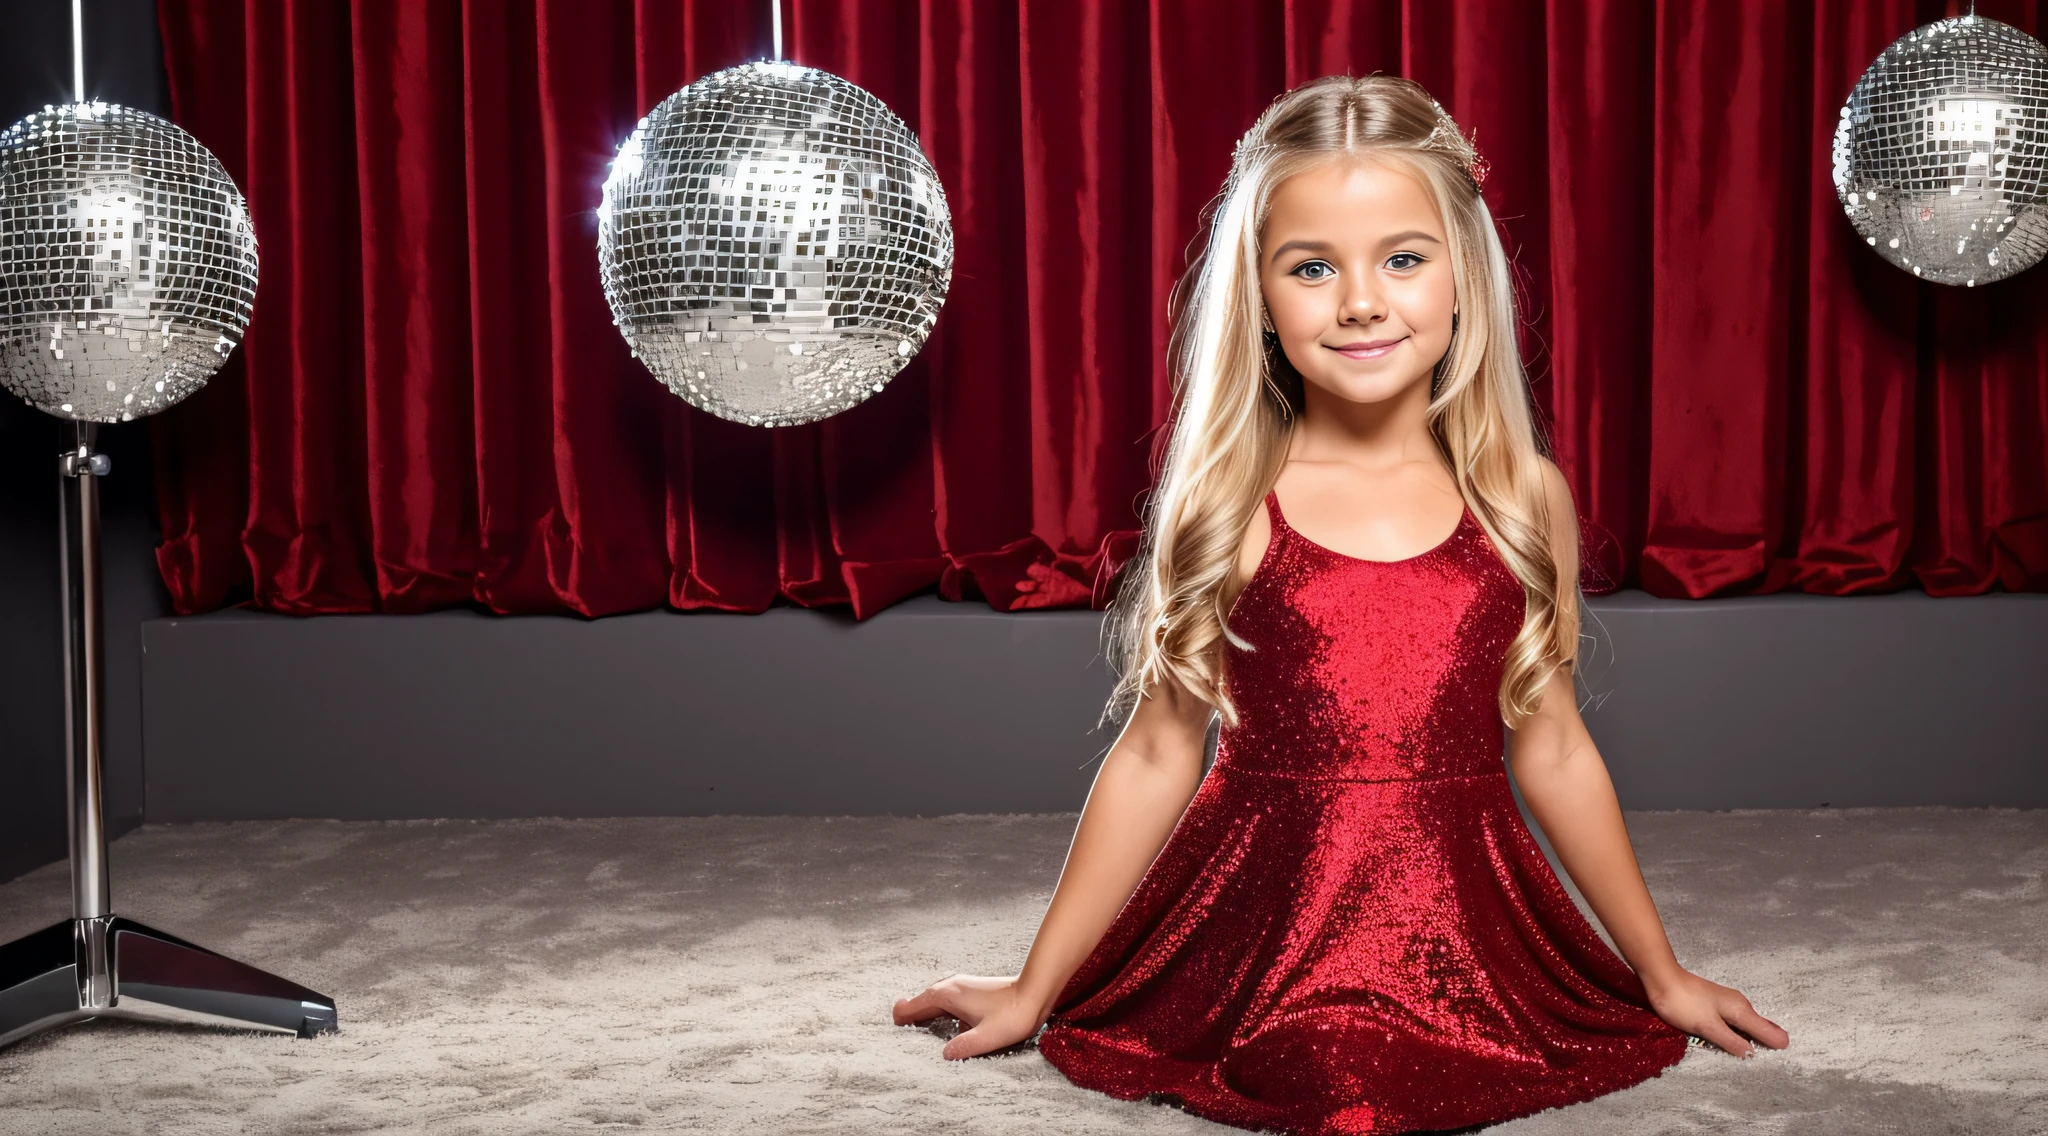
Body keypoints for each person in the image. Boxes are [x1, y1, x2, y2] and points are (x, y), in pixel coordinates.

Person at [892, 74, 1789, 1135]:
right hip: (1267, 930)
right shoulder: (1228, 498)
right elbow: (1155, 749)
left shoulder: (1518, 497)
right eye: (1310, 267)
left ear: (1462, 280)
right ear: (1261, 300)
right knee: (1335, 1072)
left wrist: (1661, 969)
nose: (1359, 299)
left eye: (1401, 259)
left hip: (1464, 925)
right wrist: (1035, 985)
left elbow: (1548, 742)